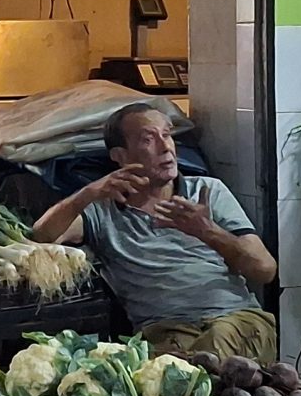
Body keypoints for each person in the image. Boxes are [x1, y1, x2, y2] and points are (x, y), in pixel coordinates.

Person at [31, 103, 279, 360]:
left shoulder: (207, 191)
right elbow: (42, 235)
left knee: (211, 352)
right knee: (176, 367)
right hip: (165, 331)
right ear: (120, 156)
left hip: (236, 320)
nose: (166, 147)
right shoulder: (101, 211)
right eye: (148, 139)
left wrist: (207, 231)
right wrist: (87, 193)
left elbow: (265, 270)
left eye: (167, 135)